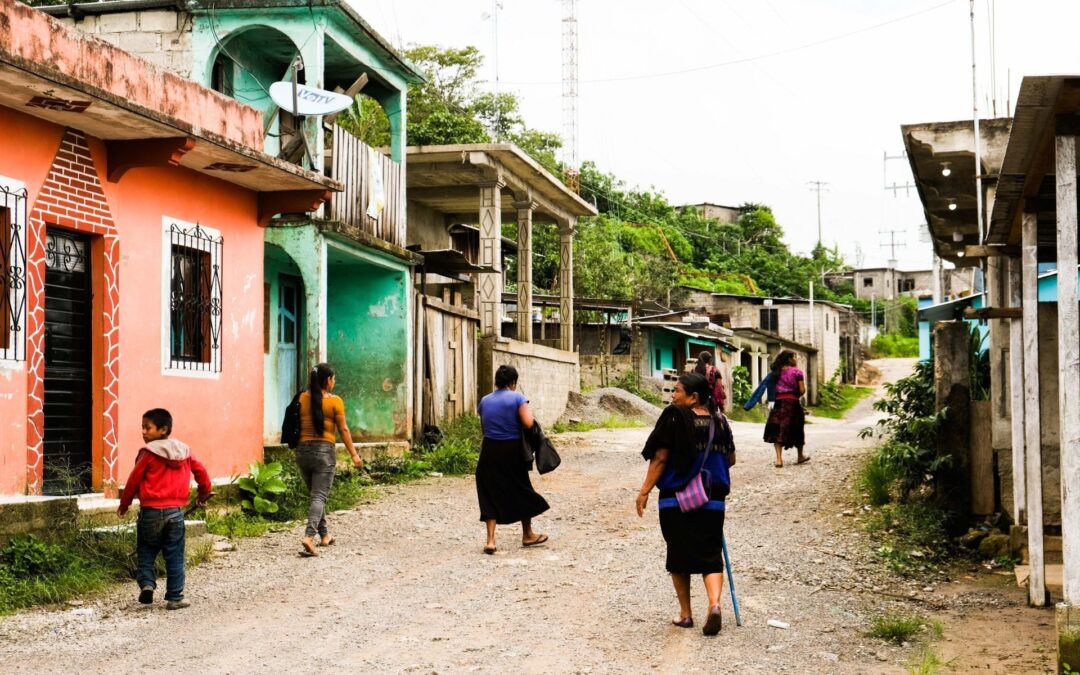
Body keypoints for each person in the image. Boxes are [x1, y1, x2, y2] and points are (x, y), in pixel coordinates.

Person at [636, 373, 736, 636]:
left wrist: (644, 491)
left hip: (676, 499)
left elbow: (659, 458)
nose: (673, 396)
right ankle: (714, 605)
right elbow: (731, 459)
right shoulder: (721, 421)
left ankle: (685, 614)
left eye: (677, 391)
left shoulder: (674, 418)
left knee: (678, 554)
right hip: (713, 498)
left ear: (693, 397)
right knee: (711, 555)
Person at [117, 408, 211, 610]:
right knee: (175, 554)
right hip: (175, 513)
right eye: (142, 427)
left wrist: (124, 504)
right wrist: (203, 495)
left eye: (147, 428)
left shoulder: (148, 454)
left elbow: (133, 481)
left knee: (147, 550)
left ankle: (147, 584)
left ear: (163, 430)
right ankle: (175, 597)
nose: (143, 432)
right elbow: (202, 473)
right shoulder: (185, 451)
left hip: (150, 512)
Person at [476, 364, 550, 555]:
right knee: (521, 488)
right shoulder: (518, 398)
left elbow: (484, 427)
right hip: (512, 450)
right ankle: (527, 534)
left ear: (496, 381)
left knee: (488, 491)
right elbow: (527, 423)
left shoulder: (484, 400)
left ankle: (491, 540)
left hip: (489, 450)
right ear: (513, 382)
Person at [296, 363, 363, 557]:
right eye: (333, 379)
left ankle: (324, 535)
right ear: (328, 381)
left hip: (302, 452)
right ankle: (309, 537)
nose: (335, 382)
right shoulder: (335, 402)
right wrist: (354, 455)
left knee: (316, 495)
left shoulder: (301, 398)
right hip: (324, 452)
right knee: (319, 496)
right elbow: (343, 430)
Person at [763, 350, 808, 468]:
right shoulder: (797, 372)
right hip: (792, 403)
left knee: (777, 428)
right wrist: (795, 395)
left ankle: (779, 460)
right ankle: (800, 456)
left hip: (778, 403)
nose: (796, 360)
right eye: (795, 357)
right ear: (789, 359)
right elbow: (802, 390)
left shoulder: (775, 372)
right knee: (797, 427)